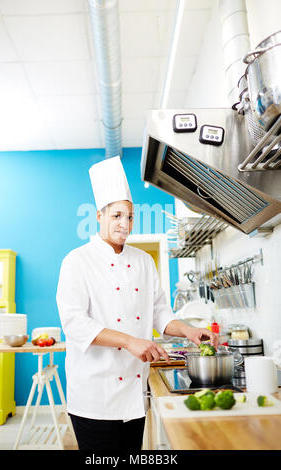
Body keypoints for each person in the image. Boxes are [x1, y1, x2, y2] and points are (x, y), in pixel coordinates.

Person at [56, 156, 218, 451]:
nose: (124, 223)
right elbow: (75, 324)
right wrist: (130, 341)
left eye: (129, 216)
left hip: (134, 390)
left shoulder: (143, 261)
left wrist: (190, 331)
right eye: (116, 215)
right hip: (94, 395)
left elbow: (160, 313)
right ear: (99, 216)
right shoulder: (76, 261)